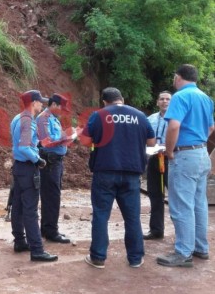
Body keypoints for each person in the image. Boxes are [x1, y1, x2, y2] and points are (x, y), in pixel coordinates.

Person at [79, 87, 155, 269]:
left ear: (104, 101)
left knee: (100, 215)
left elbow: (84, 141)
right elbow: (151, 142)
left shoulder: (99, 115)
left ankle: (98, 257)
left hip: (105, 172)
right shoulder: (140, 116)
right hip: (132, 174)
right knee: (132, 217)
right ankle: (135, 258)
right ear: (122, 98)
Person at [156, 64, 214, 268]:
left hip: (185, 156)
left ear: (178, 77)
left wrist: (170, 150)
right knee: (199, 203)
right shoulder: (205, 98)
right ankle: (200, 247)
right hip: (201, 153)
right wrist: (198, 142)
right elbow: (211, 127)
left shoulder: (180, 97)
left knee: (181, 205)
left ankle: (183, 252)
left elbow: (173, 126)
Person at [10, 90, 58, 262]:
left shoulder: (17, 118)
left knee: (18, 206)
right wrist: (38, 160)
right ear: (34, 103)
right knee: (30, 210)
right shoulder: (28, 121)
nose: (42, 105)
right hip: (28, 169)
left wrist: (36, 144)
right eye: (40, 102)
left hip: (18, 167)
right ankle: (37, 250)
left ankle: (20, 241)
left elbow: (20, 143)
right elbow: (23, 147)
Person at [36, 93, 74, 243]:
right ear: (54, 105)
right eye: (61, 108)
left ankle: (47, 229)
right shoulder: (43, 119)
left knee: (52, 195)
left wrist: (68, 135)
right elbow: (47, 141)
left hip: (55, 161)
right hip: (49, 162)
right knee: (51, 196)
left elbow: (56, 136)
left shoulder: (52, 119)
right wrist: (65, 139)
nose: (62, 111)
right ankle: (51, 231)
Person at [144, 91, 172, 240]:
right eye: (162, 99)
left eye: (168, 99)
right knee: (155, 195)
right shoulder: (150, 119)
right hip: (154, 158)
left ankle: (181, 233)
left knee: (174, 196)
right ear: (157, 102)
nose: (165, 101)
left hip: (171, 159)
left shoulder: (176, 119)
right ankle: (156, 230)